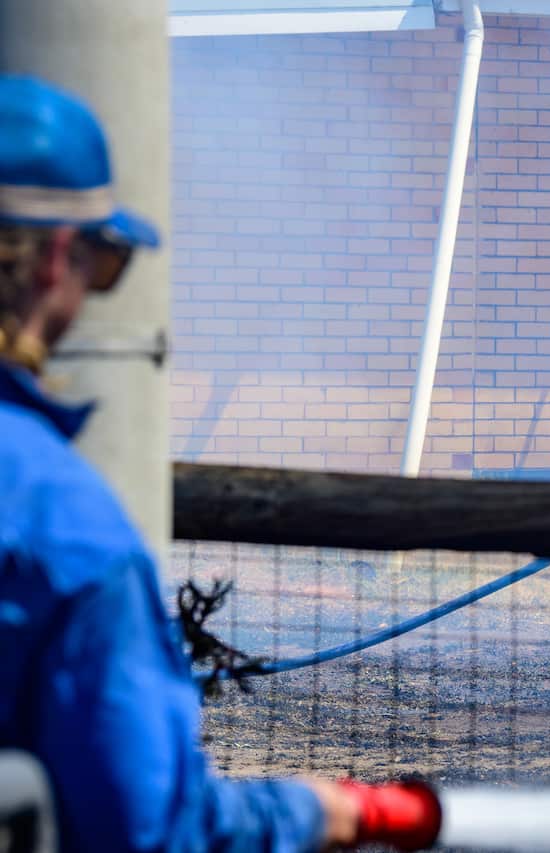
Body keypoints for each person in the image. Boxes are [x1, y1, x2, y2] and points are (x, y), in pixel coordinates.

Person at [0, 75, 441, 851]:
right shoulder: (63, 528)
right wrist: (321, 810)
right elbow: (150, 825)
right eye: (104, 264)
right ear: (57, 258)